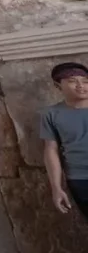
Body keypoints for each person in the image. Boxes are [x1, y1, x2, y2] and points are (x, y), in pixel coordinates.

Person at [41, 62, 88, 219]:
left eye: (85, 81)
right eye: (73, 81)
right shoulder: (51, 114)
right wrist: (56, 187)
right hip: (80, 179)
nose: (81, 86)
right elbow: (51, 149)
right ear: (58, 85)